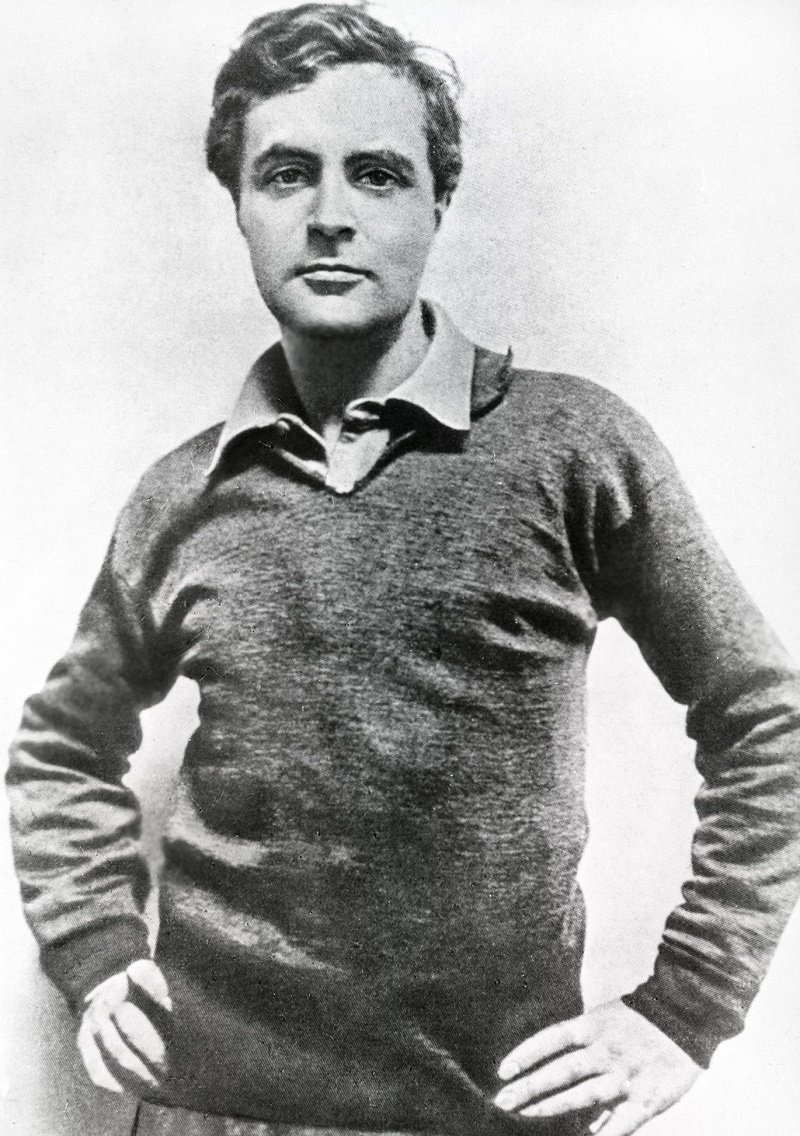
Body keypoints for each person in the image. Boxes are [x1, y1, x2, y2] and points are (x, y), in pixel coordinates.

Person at [6, 5, 800, 1136]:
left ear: (437, 203)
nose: (330, 215)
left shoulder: (575, 448)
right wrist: (92, 946)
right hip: (207, 1112)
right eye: (287, 173)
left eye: (376, 175)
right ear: (237, 202)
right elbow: (60, 746)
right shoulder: (180, 494)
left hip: (486, 1110)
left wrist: (688, 1005)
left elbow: (765, 718)